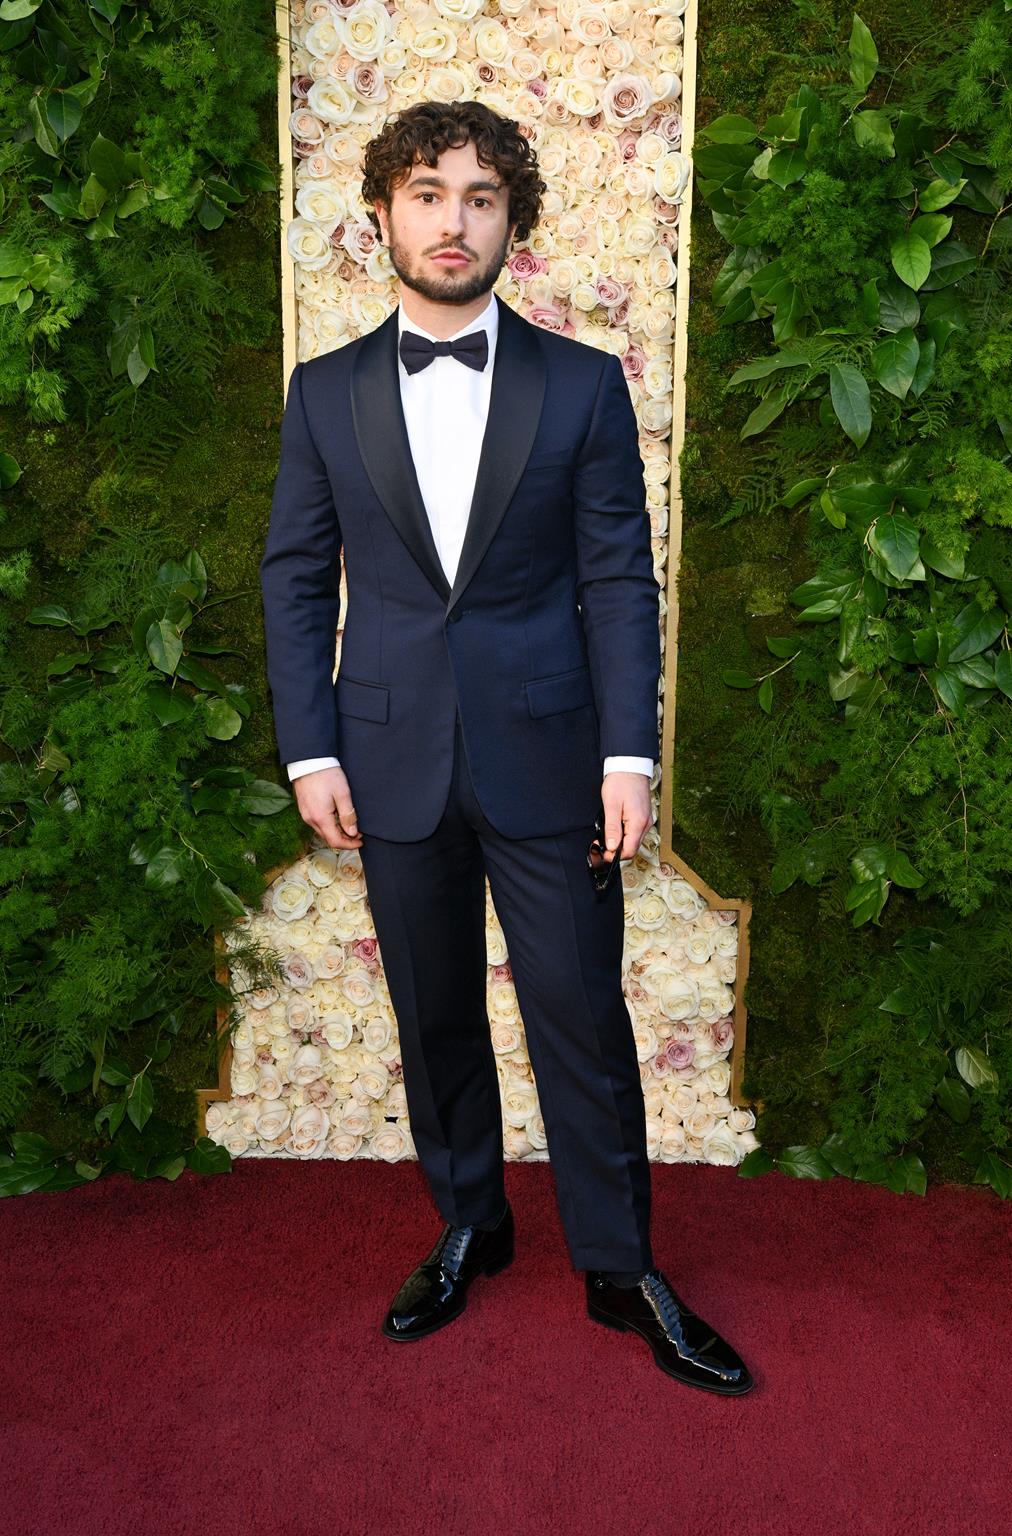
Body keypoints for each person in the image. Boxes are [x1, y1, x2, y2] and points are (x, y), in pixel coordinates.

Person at [260, 99, 752, 1395]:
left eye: (480, 197)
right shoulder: (327, 395)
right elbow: (297, 579)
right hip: (387, 760)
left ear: (513, 226)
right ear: (383, 215)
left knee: (581, 1019)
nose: (452, 219)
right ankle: (472, 1222)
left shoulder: (581, 385)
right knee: (432, 1018)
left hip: (551, 759)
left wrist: (627, 759)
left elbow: (616, 581)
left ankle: (619, 1264)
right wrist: (310, 748)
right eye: (427, 192)